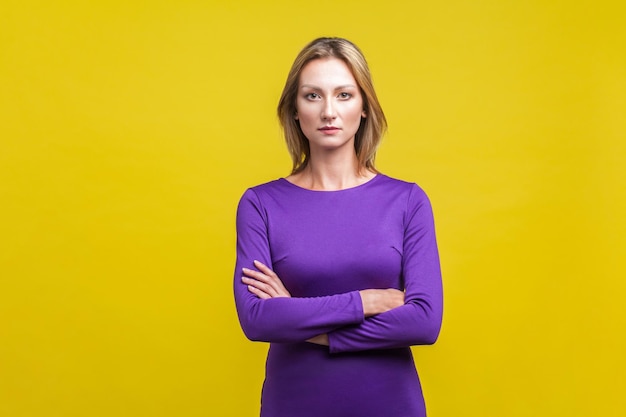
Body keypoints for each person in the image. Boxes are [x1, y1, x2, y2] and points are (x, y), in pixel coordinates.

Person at [233, 37, 443, 417]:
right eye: (313, 96)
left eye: (344, 95)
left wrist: (301, 320)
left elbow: (424, 322)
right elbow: (257, 319)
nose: (329, 111)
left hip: (389, 403)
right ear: (294, 110)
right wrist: (367, 302)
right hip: (294, 402)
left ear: (364, 107)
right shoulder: (260, 204)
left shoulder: (408, 201)